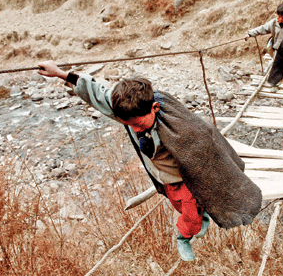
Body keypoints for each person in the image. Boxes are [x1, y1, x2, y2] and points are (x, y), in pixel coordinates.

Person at [37, 61, 262, 262]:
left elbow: (208, 142)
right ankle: (195, 218)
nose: (134, 129)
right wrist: (60, 74)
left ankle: (183, 236)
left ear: (154, 107)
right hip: (163, 178)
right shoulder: (127, 106)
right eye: (129, 124)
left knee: (191, 213)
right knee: (180, 206)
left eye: (139, 125)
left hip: (185, 179)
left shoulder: (182, 127)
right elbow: (98, 91)